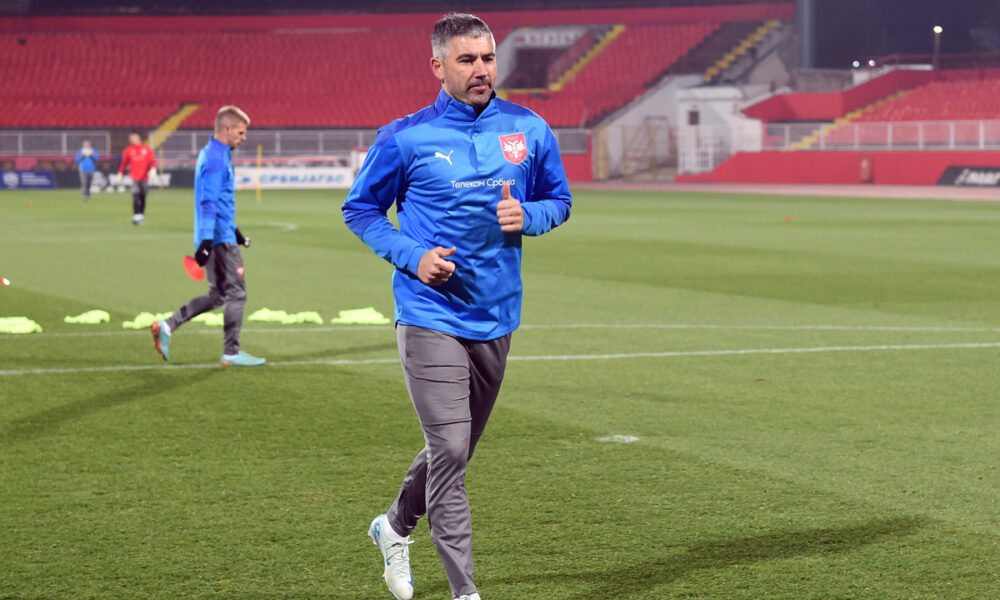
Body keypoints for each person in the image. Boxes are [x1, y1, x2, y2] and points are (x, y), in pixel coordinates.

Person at [342, 13, 572, 600]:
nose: (480, 70)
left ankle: (392, 525)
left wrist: (533, 216)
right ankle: (464, 592)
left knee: (454, 449)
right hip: (428, 313)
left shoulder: (529, 127)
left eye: (488, 59)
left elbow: (559, 199)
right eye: (466, 60)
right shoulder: (405, 136)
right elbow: (361, 210)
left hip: (496, 315)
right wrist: (412, 256)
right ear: (437, 66)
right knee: (448, 448)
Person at [150, 106, 265, 368]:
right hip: (218, 240)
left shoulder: (214, 153)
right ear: (227, 129)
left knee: (218, 294)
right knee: (237, 294)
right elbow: (208, 202)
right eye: (241, 131)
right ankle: (231, 352)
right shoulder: (215, 158)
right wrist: (205, 243)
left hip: (221, 235)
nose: (244, 137)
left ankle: (168, 326)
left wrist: (237, 233)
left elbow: (219, 203)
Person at [118, 130, 157, 225]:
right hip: (134, 177)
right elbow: (124, 163)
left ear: (138, 137)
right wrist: (120, 173)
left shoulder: (146, 149)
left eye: (133, 137)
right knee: (135, 195)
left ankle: (141, 215)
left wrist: (153, 169)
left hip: (144, 178)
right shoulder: (129, 150)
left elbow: (152, 162)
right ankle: (136, 216)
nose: (131, 139)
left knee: (143, 196)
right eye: (130, 137)